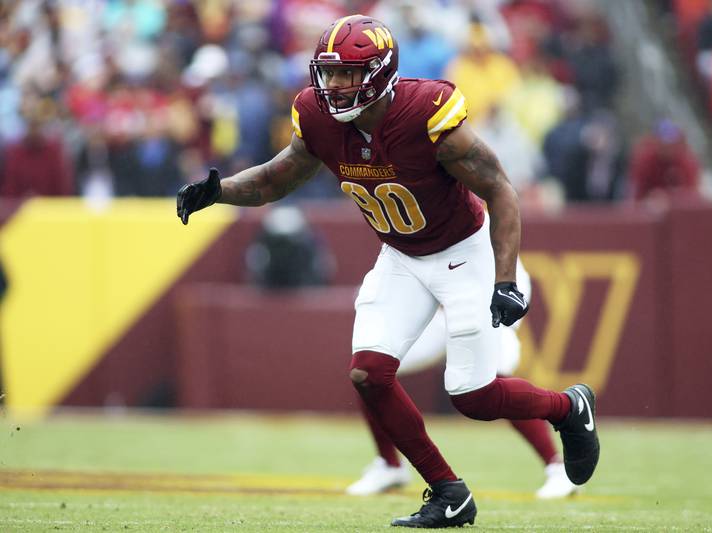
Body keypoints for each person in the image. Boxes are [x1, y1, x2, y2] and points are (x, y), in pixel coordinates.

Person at [177, 15, 599, 528]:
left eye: (345, 75)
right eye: (326, 74)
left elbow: (500, 190)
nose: (331, 86)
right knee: (368, 374)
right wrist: (217, 191)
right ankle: (448, 492)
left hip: (465, 252)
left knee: (473, 395)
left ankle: (567, 408)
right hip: (401, 257)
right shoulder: (317, 117)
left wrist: (505, 280)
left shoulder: (427, 114)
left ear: (379, 74)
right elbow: (276, 177)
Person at [345, 259, 577, 499]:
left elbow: (499, 228)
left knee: (491, 382)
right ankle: (389, 465)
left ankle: (557, 465)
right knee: (369, 371)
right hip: (436, 298)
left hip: (487, 283)